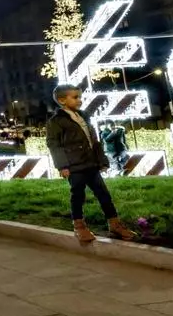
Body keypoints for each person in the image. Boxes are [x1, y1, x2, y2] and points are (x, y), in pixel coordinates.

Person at [46, 85, 136, 244]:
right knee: (78, 196)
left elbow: (94, 141)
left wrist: (102, 161)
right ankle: (79, 226)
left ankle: (115, 224)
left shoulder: (83, 116)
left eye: (79, 97)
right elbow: (54, 145)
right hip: (74, 166)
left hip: (91, 164)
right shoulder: (56, 121)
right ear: (62, 100)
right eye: (75, 97)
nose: (79, 100)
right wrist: (62, 166)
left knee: (104, 194)